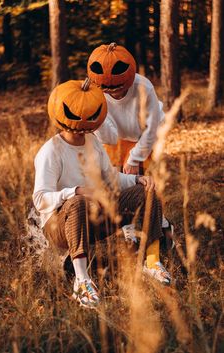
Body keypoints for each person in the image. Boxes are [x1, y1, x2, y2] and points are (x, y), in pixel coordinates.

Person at [32, 79, 171, 309]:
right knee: (77, 202)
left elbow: (112, 179)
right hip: (60, 226)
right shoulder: (50, 151)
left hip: (96, 217)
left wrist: (138, 179)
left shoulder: (93, 143)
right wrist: (74, 191)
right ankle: (82, 280)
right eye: (78, 114)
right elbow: (40, 199)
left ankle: (152, 261)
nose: (84, 120)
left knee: (147, 193)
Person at [87, 42, 174, 253]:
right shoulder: (94, 88)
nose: (113, 93)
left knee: (143, 186)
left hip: (142, 136)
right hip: (112, 140)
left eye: (118, 88)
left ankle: (161, 226)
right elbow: (94, 121)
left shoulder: (143, 87)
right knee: (117, 186)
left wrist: (134, 159)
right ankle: (131, 231)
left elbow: (152, 128)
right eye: (108, 89)